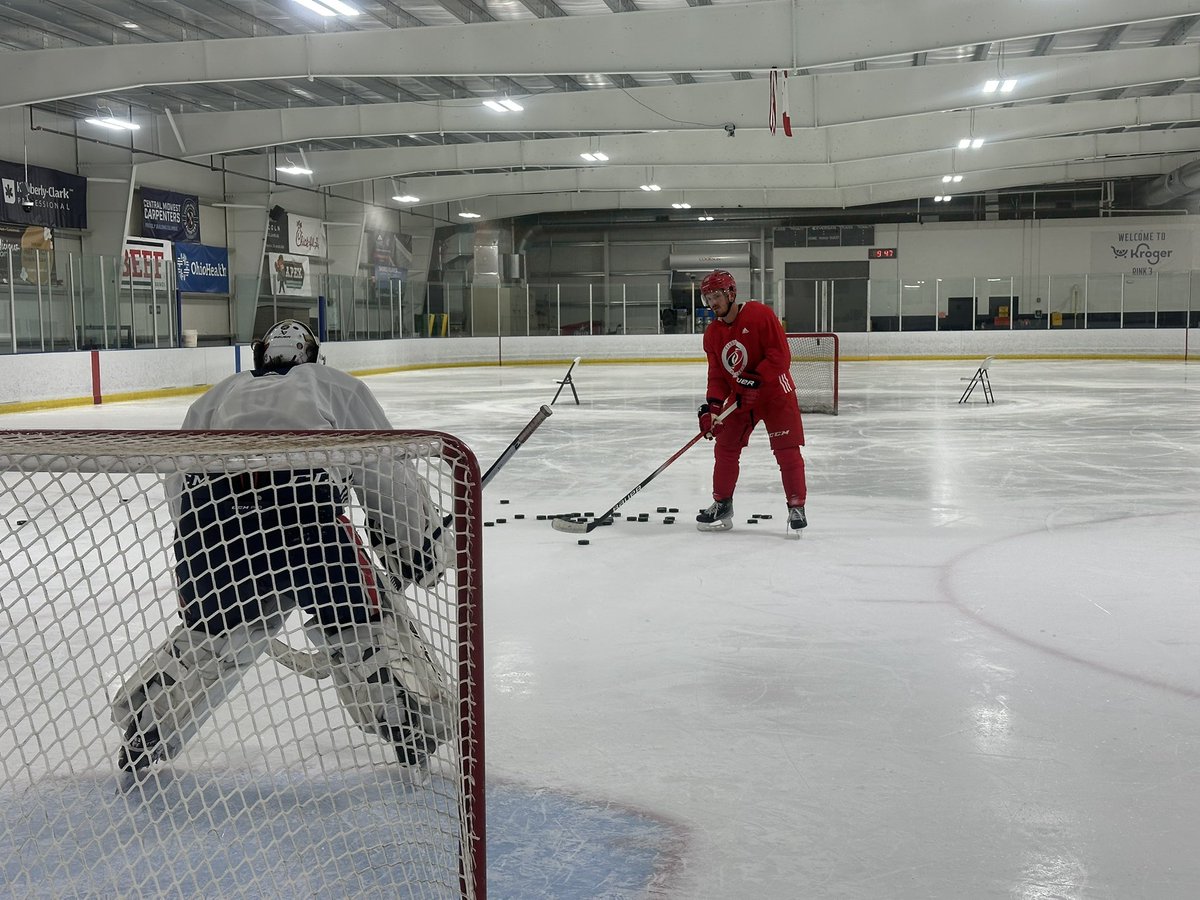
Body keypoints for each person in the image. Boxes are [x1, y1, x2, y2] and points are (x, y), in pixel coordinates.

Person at [110, 318, 454, 774]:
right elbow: (384, 469)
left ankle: (146, 730)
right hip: (306, 522)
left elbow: (181, 480)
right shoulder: (334, 386)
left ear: (260, 355)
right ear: (314, 357)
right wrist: (416, 549)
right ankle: (407, 725)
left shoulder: (216, 397)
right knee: (363, 625)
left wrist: (202, 556)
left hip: (213, 528)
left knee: (212, 639)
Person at [695, 270, 808, 534]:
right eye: (708, 298)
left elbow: (780, 356)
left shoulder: (760, 314)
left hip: (776, 393)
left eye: (716, 296)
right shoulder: (712, 334)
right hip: (741, 399)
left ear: (731, 293)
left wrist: (754, 379)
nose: (712, 303)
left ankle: (796, 505)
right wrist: (713, 409)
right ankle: (722, 502)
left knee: (787, 450)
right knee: (725, 447)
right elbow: (717, 375)